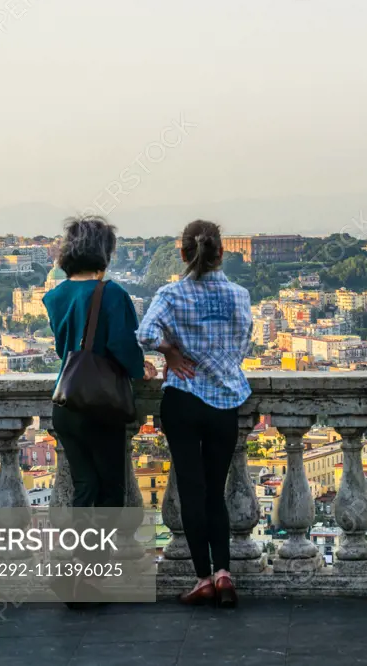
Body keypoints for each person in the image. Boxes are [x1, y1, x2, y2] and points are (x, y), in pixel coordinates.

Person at [138, 220, 252, 608]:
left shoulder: (171, 294)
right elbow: (244, 344)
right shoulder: (239, 295)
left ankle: (202, 577)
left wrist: (170, 352)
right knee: (216, 490)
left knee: (191, 489)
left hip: (183, 398)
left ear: (183, 253)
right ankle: (224, 574)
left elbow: (145, 334)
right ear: (221, 253)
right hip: (224, 399)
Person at [43, 216, 156, 604]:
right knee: (110, 492)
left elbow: (65, 349)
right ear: (103, 252)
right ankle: (90, 578)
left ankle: (74, 571)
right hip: (102, 406)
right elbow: (124, 347)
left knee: (84, 488)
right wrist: (144, 370)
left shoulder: (54, 296)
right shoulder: (113, 294)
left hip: (67, 403)